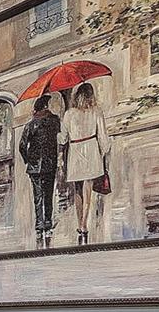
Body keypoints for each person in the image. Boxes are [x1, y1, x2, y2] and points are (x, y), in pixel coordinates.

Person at [59, 81, 111, 245]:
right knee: (88, 190)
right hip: (91, 151)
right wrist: (103, 152)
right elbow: (103, 137)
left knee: (77, 191)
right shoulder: (96, 112)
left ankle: (79, 223)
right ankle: (83, 225)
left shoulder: (69, 114)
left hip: (75, 151)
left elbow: (63, 138)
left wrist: (59, 140)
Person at [17, 95, 61, 249]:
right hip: (50, 164)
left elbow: (22, 146)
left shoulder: (30, 125)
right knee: (48, 195)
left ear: (36, 108)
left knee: (38, 197)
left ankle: (39, 225)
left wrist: (28, 160)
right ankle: (48, 225)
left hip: (35, 166)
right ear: (46, 107)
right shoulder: (55, 121)